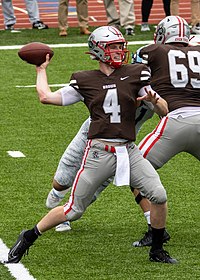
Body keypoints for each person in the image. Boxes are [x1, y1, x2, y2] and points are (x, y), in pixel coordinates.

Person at [6, 26, 177, 264]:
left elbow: (164, 110)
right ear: (98, 50)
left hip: (129, 151)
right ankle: (28, 237)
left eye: (120, 46)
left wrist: (154, 100)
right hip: (99, 152)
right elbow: (47, 97)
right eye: (113, 47)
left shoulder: (137, 73)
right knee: (73, 210)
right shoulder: (84, 79)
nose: (119, 51)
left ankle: (157, 250)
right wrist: (40, 70)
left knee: (158, 195)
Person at [130, 15, 200, 247]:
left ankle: (155, 226)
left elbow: (135, 66)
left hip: (175, 121)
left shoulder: (152, 50)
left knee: (132, 169)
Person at [46, 102, 155, 232]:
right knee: (62, 181)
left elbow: (167, 111)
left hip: (118, 146)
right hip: (90, 134)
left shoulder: (153, 94)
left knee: (91, 190)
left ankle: (65, 216)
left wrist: (157, 101)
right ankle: (58, 193)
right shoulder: (122, 84)